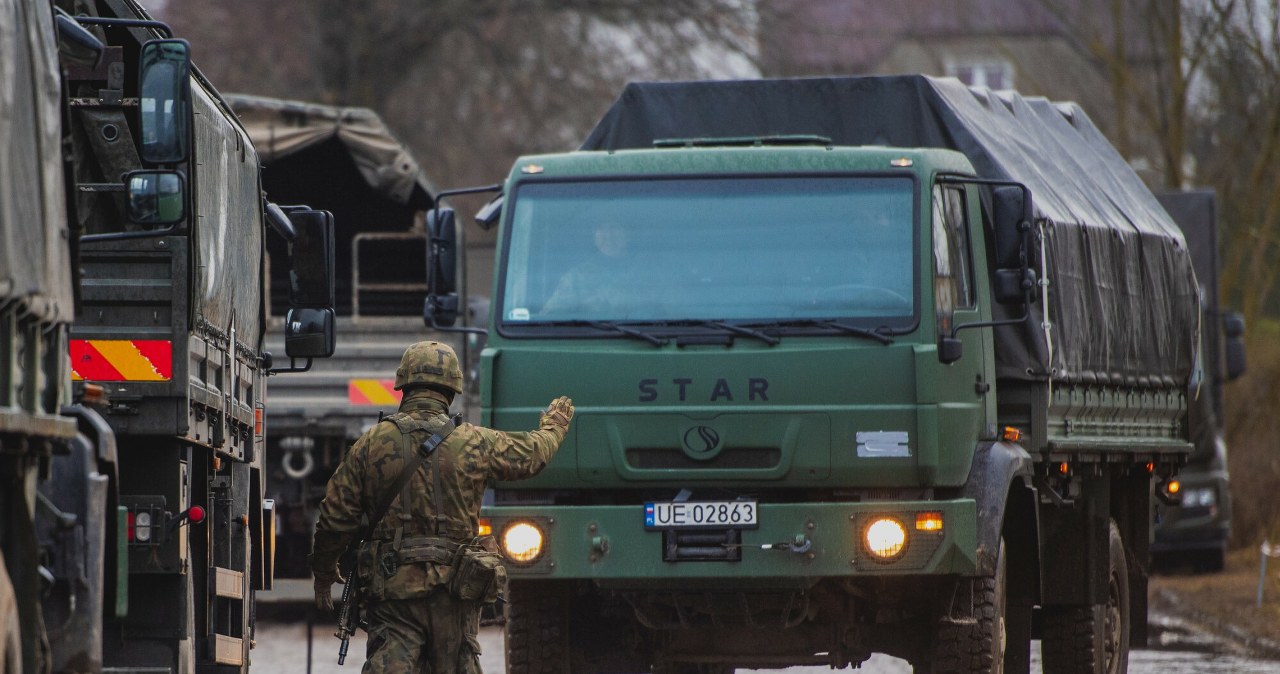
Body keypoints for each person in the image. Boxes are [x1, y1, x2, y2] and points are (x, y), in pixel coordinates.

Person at [309, 340, 574, 674]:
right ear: (452, 389)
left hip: (394, 593)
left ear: (403, 385)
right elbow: (532, 455)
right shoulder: (475, 442)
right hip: (456, 592)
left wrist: (323, 573)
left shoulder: (372, 443)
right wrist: (555, 427)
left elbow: (335, 517)